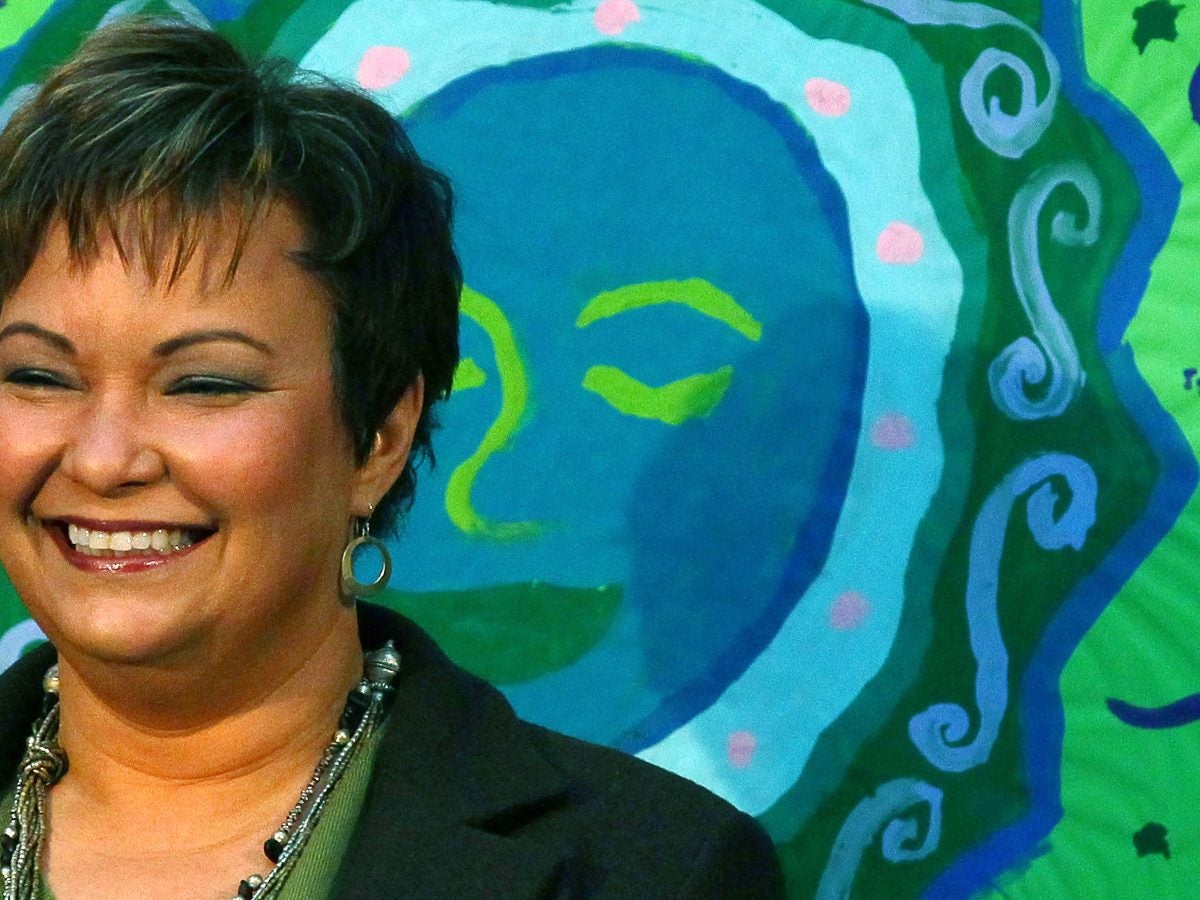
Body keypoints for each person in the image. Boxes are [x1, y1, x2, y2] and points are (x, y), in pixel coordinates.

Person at [0, 17, 784, 900]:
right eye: (37, 376)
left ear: (378, 436)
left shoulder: (654, 872)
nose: (104, 459)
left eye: (204, 384)